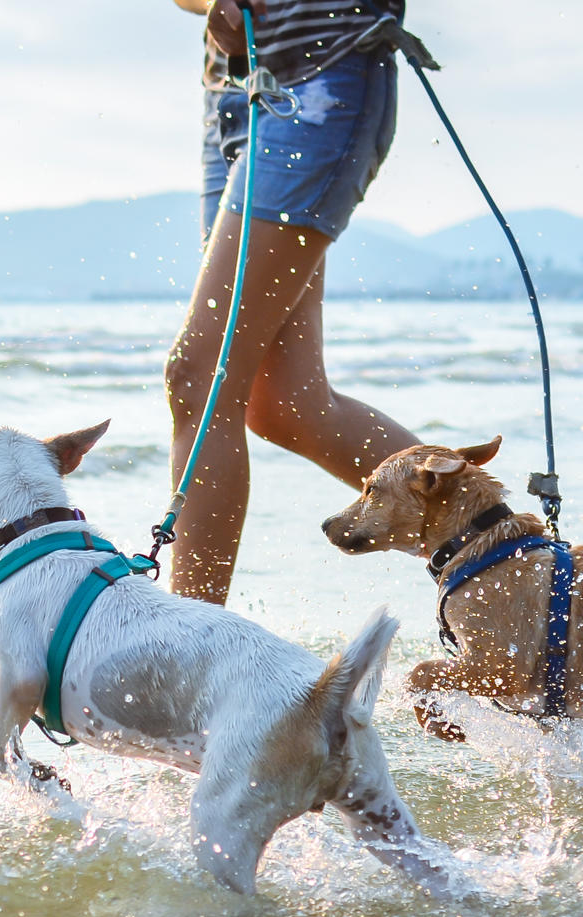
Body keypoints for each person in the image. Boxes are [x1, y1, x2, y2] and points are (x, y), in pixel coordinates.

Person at [161, 0, 422, 604]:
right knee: (287, 406)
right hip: (233, 97)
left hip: (324, 74)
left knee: (198, 376)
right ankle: (516, 560)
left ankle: (186, 652)